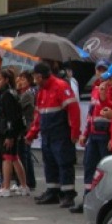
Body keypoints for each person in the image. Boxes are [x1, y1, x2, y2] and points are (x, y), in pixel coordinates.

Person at [25, 62, 81, 208]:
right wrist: (31, 134)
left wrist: (75, 132)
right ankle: (53, 191)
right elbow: (38, 115)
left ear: (40, 76)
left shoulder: (61, 87)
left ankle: (68, 194)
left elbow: (73, 111)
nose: (34, 80)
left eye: (35, 77)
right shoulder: (42, 91)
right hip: (47, 133)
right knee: (49, 163)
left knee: (64, 163)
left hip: (61, 133)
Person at [70, 60, 112, 213]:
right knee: (89, 168)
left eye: (104, 70)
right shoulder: (95, 89)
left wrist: (104, 95)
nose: (101, 73)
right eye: (99, 70)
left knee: (105, 169)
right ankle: (87, 200)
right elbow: (91, 114)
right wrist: (84, 134)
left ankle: (105, 203)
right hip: (94, 135)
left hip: (106, 135)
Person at [0, 69, 29, 197]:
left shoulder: (7, 95)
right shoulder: (9, 93)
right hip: (10, 130)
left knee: (7, 158)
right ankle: (23, 186)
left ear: (6, 80)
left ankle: (6, 187)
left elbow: (12, 117)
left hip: (7, 131)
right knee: (14, 158)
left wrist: (10, 135)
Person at [15, 70, 37, 191]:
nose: (20, 82)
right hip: (23, 126)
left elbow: (18, 106)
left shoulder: (28, 94)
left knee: (24, 154)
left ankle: (27, 181)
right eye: (20, 79)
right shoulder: (22, 92)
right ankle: (27, 181)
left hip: (26, 126)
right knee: (24, 153)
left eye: (23, 79)